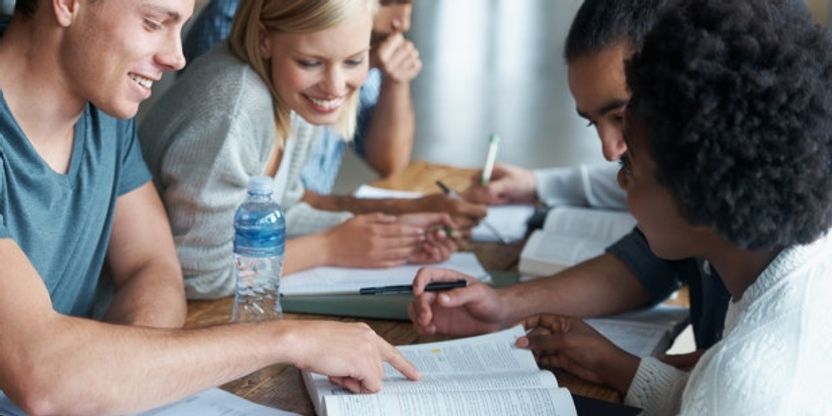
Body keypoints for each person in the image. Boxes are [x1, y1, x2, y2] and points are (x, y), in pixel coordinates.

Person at [0, 0, 418, 413]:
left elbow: (153, 265)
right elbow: (46, 374)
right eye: (153, 23)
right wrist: (289, 339)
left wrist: (125, 375)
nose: (177, 57)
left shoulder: (103, 105)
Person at [518, 0, 832, 413]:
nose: (616, 173)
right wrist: (614, 366)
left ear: (699, 191)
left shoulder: (742, 381)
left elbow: (725, 396)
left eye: (631, 166)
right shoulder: (793, 271)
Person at [410, 0, 730, 368]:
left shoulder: (771, 235)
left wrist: (619, 368)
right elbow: (646, 263)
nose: (609, 151)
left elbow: (736, 382)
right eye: (593, 123)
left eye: (621, 115)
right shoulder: (681, 207)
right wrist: (501, 306)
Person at [139, 0, 467, 300]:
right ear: (265, 39)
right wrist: (328, 248)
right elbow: (197, 276)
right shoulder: (234, 109)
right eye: (311, 62)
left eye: (354, 60)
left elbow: (283, 208)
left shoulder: (293, 90)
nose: (335, 86)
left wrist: (393, 239)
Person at [183, 0, 422, 194]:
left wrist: (395, 81)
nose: (403, 22)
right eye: (386, 2)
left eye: (354, 60)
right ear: (264, 39)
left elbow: (389, 163)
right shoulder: (240, 87)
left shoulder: (354, 48)